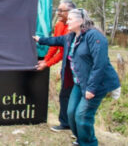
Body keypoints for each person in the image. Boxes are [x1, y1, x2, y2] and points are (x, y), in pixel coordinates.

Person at [33, 9, 120, 146]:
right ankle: (81, 139)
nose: (67, 21)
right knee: (71, 112)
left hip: (98, 83)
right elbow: (56, 40)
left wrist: (91, 89)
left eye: (70, 19)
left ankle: (89, 143)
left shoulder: (95, 36)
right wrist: (40, 39)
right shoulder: (72, 36)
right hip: (79, 83)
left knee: (82, 115)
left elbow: (100, 64)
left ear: (81, 20)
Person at [36, 0, 76, 132]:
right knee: (64, 94)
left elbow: (63, 52)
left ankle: (72, 125)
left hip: (74, 65)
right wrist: (45, 60)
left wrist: (48, 63)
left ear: (70, 12)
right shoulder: (59, 25)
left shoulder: (74, 28)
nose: (58, 13)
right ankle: (65, 123)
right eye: (57, 10)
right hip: (66, 64)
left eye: (61, 11)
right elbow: (54, 45)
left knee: (71, 95)